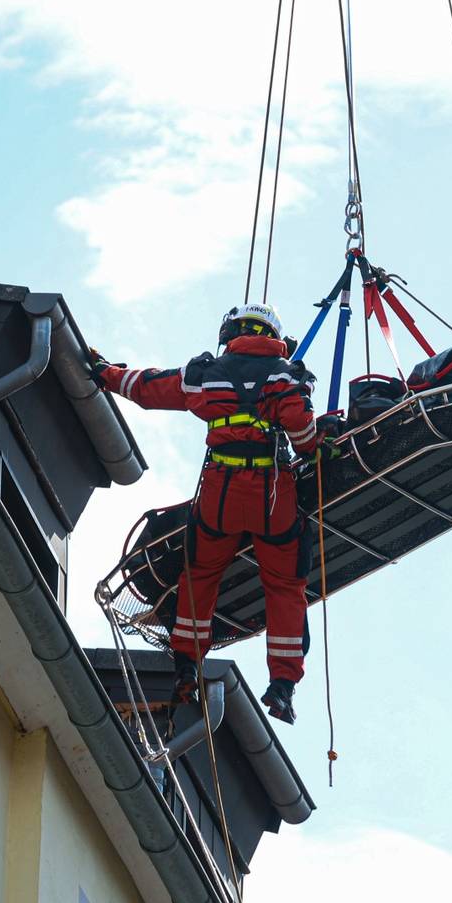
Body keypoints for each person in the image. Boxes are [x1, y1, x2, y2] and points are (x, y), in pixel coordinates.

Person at [89, 303, 330, 723]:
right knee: (286, 586)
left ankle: (186, 666)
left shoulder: (207, 373)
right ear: (273, 334)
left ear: (231, 332)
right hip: (273, 495)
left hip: (220, 493)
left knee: (198, 576)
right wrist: (316, 445)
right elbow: (302, 430)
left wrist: (106, 372)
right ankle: (283, 686)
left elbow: (149, 388)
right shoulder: (287, 375)